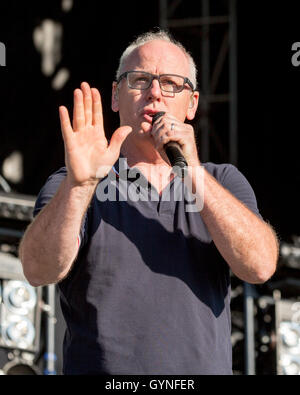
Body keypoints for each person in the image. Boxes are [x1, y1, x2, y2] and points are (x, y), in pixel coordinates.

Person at [19, 29, 279, 375]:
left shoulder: (222, 181)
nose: (154, 93)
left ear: (193, 104)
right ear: (115, 96)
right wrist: (80, 186)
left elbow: (260, 266)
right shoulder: (75, 184)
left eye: (171, 83)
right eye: (139, 80)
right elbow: (38, 270)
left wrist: (194, 175)